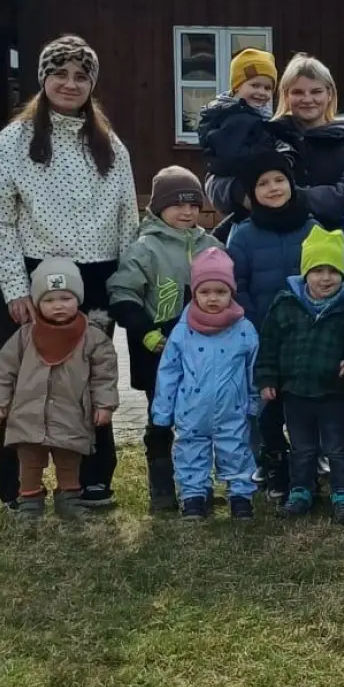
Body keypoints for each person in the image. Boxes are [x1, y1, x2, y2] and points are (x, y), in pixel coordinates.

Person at [0, 33, 139, 509]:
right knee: (28, 382)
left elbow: (128, 220)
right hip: (31, 277)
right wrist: (13, 286)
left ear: (91, 84)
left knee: (85, 381)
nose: (70, 84)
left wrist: (123, 285)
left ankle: (89, 481)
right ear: (43, 79)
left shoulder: (110, 145)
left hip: (95, 279)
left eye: (80, 76)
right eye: (60, 74)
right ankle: (20, 486)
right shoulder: (12, 143)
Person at [107, 166, 222, 511]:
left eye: (193, 205)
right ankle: (161, 487)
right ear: (158, 208)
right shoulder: (145, 248)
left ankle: (196, 485)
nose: (187, 212)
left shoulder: (212, 245)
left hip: (204, 351)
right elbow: (123, 294)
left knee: (200, 421)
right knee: (161, 419)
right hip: (157, 350)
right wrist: (146, 333)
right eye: (177, 205)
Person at [0, 259, 119, 519]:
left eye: (66, 298)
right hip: (28, 414)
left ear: (78, 299)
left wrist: (105, 404)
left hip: (71, 412)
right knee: (30, 461)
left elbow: (104, 375)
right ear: (36, 304)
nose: (58, 305)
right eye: (49, 300)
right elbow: (4, 370)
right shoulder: (25, 336)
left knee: (69, 459)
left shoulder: (92, 337)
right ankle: (29, 501)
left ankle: (69, 498)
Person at [256, 226, 344, 522]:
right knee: (302, 447)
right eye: (317, 270)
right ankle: (301, 489)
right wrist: (268, 379)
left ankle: (343, 492)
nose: (325, 278)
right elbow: (269, 343)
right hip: (295, 391)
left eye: (333, 270)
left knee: (338, 446)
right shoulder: (285, 304)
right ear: (305, 272)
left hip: (335, 392)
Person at [225, 153, 317, 502]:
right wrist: (252, 325)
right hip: (261, 335)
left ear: (290, 184)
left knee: (306, 402)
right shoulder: (244, 236)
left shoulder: (312, 228)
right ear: (252, 193)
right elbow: (238, 285)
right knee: (264, 404)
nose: (273, 188)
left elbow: (326, 278)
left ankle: (309, 464)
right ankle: (269, 461)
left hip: (307, 335)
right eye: (263, 183)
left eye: (278, 180)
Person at [151, 248, 260, 521]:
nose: (213, 298)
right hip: (191, 409)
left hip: (231, 408)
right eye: (205, 292)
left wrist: (255, 401)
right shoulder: (182, 330)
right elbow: (169, 371)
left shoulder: (243, 328)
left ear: (231, 293)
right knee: (190, 452)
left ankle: (240, 497)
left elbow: (253, 368)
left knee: (236, 450)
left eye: (220, 292)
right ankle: (193, 497)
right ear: (195, 293)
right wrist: (163, 410)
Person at [267, 54, 344, 222]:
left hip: (332, 242)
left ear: (329, 94)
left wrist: (291, 196)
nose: (307, 99)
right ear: (286, 96)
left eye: (316, 91)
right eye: (298, 92)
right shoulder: (269, 140)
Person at [198, 47, 280, 221]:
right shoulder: (237, 118)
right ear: (236, 87)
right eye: (254, 85)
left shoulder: (254, 116)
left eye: (267, 88)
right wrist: (266, 156)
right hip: (239, 184)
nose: (261, 92)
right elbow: (231, 156)